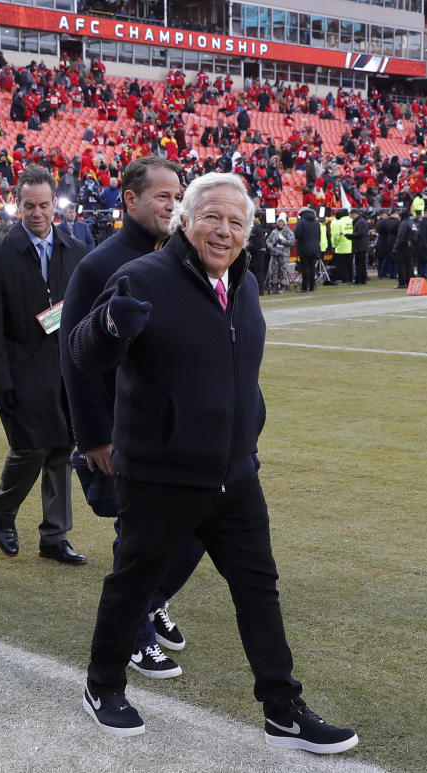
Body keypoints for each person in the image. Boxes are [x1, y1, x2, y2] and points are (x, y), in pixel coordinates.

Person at [69, 172, 358, 754]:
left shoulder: (245, 283)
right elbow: (81, 352)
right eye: (211, 218)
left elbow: (238, 368)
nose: (223, 231)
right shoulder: (140, 277)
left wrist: (249, 426)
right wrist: (107, 327)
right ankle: (103, 687)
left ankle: (283, 709)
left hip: (234, 474)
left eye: (236, 222)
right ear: (185, 221)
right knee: (133, 584)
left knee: (259, 589)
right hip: (160, 476)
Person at [61, 156, 204, 680]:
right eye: (162, 196)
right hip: (123, 432)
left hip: (174, 426)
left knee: (198, 523)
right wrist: (95, 437)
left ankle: (151, 600)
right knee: (136, 535)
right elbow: (73, 359)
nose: (173, 205)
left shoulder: (180, 258)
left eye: (178, 195)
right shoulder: (99, 265)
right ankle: (136, 635)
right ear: (130, 200)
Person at [0, 164, 87, 565]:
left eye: (43, 205)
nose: (36, 213)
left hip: (68, 370)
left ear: (54, 203)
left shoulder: (77, 252)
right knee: (30, 448)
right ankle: (4, 511)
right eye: (28, 206)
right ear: (16, 205)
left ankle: (54, 537)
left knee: (61, 450)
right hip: (21, 371)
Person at [264, 213, 294, 293]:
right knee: (273, 270)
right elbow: (268, 241)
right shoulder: (274, 232)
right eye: (279, 222)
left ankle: (283, 286)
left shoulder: (288, 232)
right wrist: (271, 246)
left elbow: (292, 241)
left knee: (283, 270)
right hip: (274, 254)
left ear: (284, 223)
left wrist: (282, 242)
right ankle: (274, 285)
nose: (280, 223)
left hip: (284, 255)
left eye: (282, 222)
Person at [293, 207, 319, 292]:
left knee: (305, 268)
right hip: (315, 247)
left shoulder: (301, 222)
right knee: (312, 268)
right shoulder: (316, 222)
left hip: (304, 247)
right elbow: (319, 235)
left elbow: (297, 234)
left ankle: (304, 287)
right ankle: (312, 286)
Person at [329, 208, 353, 284]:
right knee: (350, 263)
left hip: (341, 246)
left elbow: (336, 235)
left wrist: (334, 245)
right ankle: (351, 278)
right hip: (351, 245)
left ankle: (345, 279)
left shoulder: (338, 222)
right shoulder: (352, 221)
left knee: (342, 264)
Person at [350, 209, 370, 284]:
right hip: (361, 245)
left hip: (360, 245)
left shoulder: (360, 222)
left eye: (351, 214)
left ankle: (360, 279)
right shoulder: (360, 221)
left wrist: (349, 236)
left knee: (359, 263)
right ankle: (362, 279)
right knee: (361, 263)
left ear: (354, 214)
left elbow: (360, 233)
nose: (350, 216)